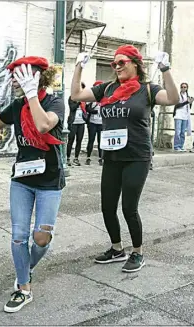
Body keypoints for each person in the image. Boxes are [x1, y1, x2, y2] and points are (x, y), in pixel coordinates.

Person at [70, 45, 179, 272]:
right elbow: (76, 95)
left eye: (122, 62)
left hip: (136, 157)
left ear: (135, 64)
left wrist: (165, 69)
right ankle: (117, 249)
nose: (117, 66)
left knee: (129, 207)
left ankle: (137, 252)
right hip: (111, 156)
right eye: (114, 63)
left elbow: (172, 98)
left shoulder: (147, 89)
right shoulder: (107, 88)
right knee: (107, 207)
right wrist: (78, 66)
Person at [0, 57, 65, 312]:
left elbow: (43, 125)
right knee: (19, 236)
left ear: (39, 76)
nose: (16, 81)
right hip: (21, 181)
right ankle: (23, 287)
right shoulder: (17, 105)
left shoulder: (54, 101)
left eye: (22, 75)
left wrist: (32, 95)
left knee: (41, 237)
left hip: (50, 181)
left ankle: (25, 266)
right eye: (15, 76)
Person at [66, 84, 87, 166]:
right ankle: (68, 158)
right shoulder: (72, 98)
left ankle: (76, 158)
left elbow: (86, 109)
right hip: (73, 122)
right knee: (70, 140)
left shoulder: (84, 99)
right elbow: (72, 108)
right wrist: (78, 102)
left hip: (81, 123)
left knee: (79, 140)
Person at [85, 80, 104, 165]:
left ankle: (101, 158)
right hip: (92, 122)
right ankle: (88, 157)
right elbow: (87, 109)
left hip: (101, 123)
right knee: (91, 140)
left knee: (101, 141)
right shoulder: (91, 98)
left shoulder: (105, 98)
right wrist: (93, 111)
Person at [173, 82, 193, 152]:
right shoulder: (178, 95)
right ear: (180, 88)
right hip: (178, 115)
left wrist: (190, 102)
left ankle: (181, 146)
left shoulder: (188, 96)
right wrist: (186, 102)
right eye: (182, 87)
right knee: (177, 132)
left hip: (185, 116)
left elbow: (189, 107)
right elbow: (177, 105)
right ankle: (176, 146)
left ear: (187, 88)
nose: (183, 88)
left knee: (182, 132)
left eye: (185, 87)